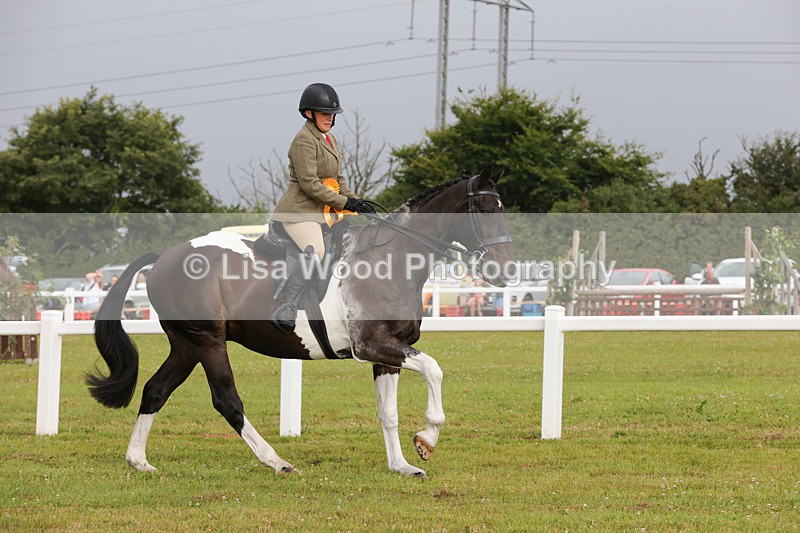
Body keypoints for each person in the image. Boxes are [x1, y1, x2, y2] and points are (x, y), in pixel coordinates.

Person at [269, 82, 375, 333]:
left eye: (332, 115)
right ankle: (287, 305)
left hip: (323, 212)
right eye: (324, 114)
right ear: (309, 113)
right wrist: (343, 203)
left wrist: (357, 202)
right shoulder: (303, 141)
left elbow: (338, 180)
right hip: (299, 212)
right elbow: (309, 184)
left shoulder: (330, 139)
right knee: (316, 250)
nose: (329, 119)